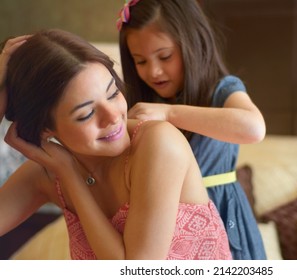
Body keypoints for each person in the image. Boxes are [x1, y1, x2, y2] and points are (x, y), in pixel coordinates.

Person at [0, 29, 232, 260]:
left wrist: (70, 174)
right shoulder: (46, 172)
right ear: (45, 128)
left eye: (112, 94)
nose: (113, 116)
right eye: (87, 113)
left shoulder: (158, 143)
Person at [117, 0, 267, 260]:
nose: (154, 71)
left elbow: (253, 128)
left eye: (165, 56)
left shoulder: (221, 91)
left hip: (221, 217)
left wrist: (169, 113)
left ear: (193, 43)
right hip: (164, 228)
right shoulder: (141, 106)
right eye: (140, 61)